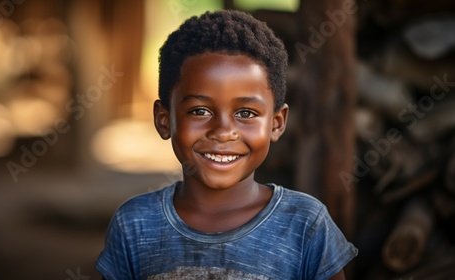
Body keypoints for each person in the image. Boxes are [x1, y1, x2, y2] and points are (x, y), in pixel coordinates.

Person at [96, 9, 358, 280]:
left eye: (246, 113)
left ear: (277, 123)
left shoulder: (305, 225)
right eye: (200, 111)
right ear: (164, 120)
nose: (223, 132)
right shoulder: (135, 224)